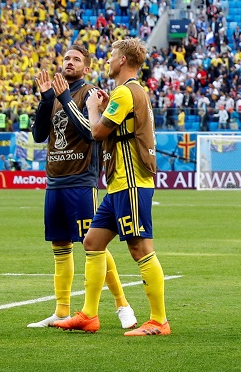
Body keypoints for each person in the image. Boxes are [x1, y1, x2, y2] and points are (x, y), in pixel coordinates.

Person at [54, 39, 169, 336]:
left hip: (131, 183)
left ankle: (159, 320)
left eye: (111, 57)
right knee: (92, 242)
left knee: (139, 247)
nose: (107, 61)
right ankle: (88, 316)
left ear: (122, 61)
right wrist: (105, 108)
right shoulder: (130, 93)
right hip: (118, 184)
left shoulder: (125, 91)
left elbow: (96, 131)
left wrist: (94, 107)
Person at [27, 46, 137, 330]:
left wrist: (64, 98)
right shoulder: (53, 95)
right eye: (66, 58)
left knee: (94, 245)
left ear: (86, 68)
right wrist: (44, 100)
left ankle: (122, 304)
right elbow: (39, 135)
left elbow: (90, 134)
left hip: (81, 180)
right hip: (55, 180)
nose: (69, 62)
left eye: (76, 59)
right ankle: (61, 310)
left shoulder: (89, 93)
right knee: (60, 246)